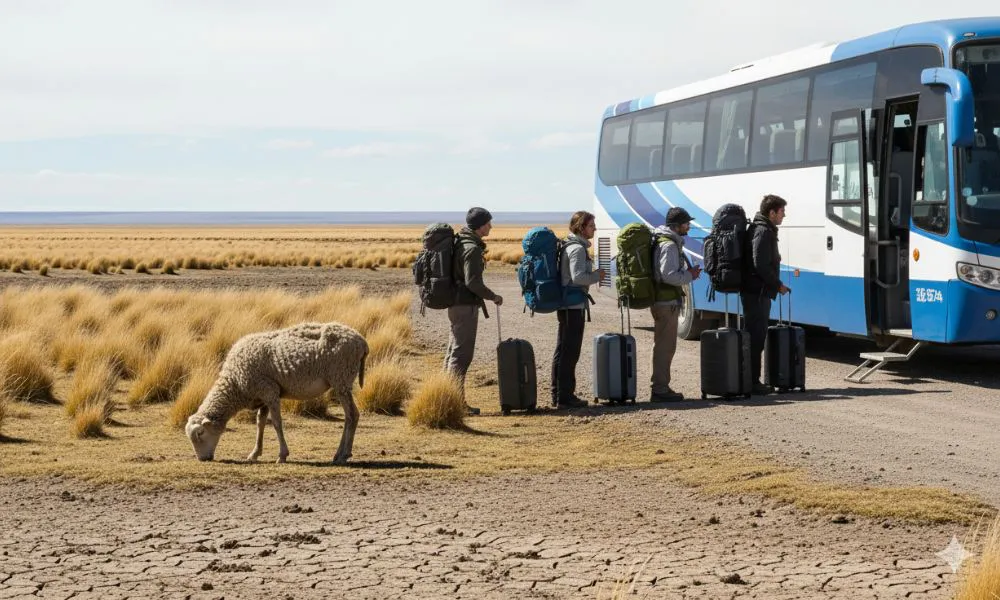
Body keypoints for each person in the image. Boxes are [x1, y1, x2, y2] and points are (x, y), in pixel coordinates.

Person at [444, 207, 503, 415]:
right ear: (479, 226)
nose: (491, 227)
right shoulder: (472, 249)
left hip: (455, 303)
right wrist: (493, 296)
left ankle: (446, 397)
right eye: (488, 223)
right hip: (465, 305)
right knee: (462, 354)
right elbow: (473, 283)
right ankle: (455, 403)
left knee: (454, 351)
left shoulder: (461, 242)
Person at [551, 211, 605, 409]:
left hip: (568, 305)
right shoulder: (577, 250)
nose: (595, 229)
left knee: (563, 351)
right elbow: (578, 277)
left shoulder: (570, 245)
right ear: (582, 227)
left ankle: (559, 395)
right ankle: (565, 397)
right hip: (572, 306)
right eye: (591, 226)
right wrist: (596, 275)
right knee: (570, 352)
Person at [649, 207, 701, 402]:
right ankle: (660, 390)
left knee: (663, 345)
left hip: (664, 301)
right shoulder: (669, 246)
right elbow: (668, 275)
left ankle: (661, 387)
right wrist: (690, 275)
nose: (689, 226)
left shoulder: (665, 241)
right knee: (665, 347)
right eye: (686, 223)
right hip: (666, 302)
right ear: (677, 226)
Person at [741, 194, 791, 396]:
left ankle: (750, 379)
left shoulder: (761, 229)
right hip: (757, 293)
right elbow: (759, 264)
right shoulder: (763, 231)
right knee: (755, 337)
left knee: (755, 336)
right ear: (771, 212)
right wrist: (777, 284)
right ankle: (752, 381)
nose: (784, 215)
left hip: (757, 292)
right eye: (781, 212)